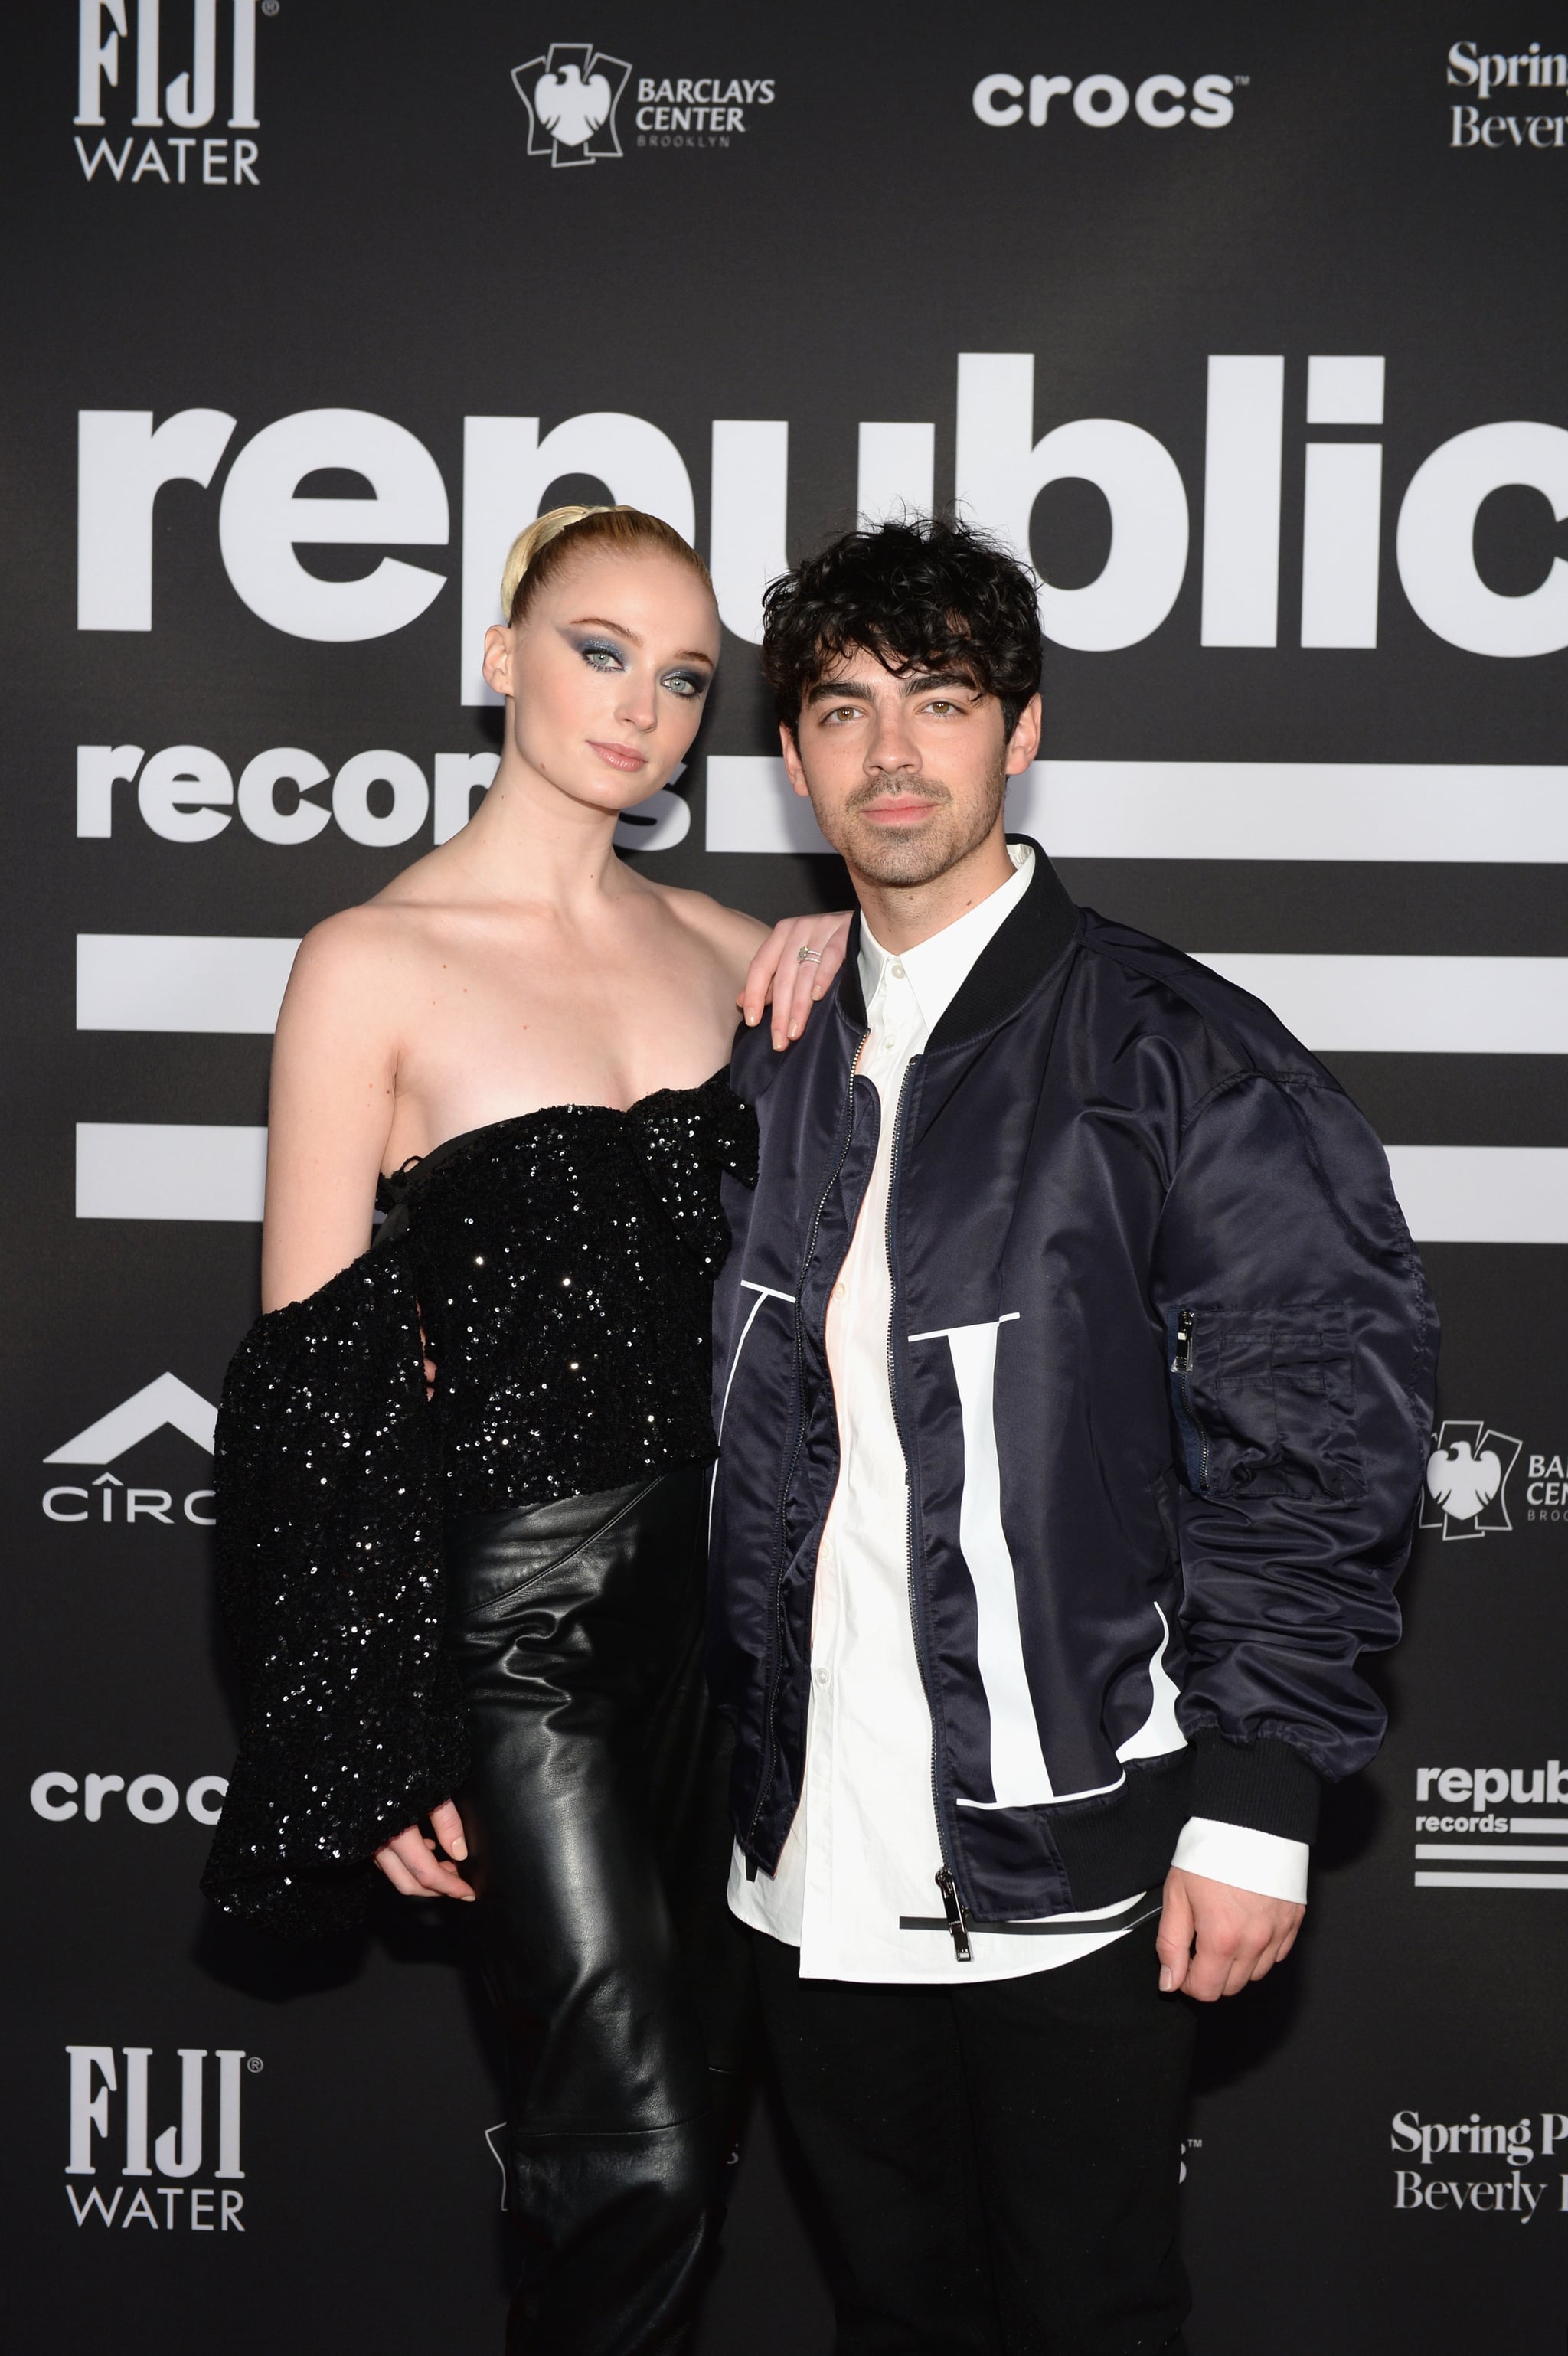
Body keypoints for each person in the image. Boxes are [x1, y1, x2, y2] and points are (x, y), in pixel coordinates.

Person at [707, 516, 1437, 2354]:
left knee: (1089, 2317)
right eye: (844, 708)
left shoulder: (1174, 1049)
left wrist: (1263, 1797)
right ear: (791, 754)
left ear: (1018, 732)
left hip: (1075, 1858)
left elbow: (1320, 1428)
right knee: (894, 2312)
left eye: (938, 703)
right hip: (806, 1857)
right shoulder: (762, 1055)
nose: (890, 753)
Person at [201, 504, 847, 2356]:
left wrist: (837, 963)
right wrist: (364, 1716)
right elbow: (315, 1395)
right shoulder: (367, 965)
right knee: (627, 2145)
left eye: (685, 679)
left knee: (692, 2143)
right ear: (500, 658)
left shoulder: (746, 954)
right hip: (527, 1641)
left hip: (739, 1629)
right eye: (597, 650)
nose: (641, 706)